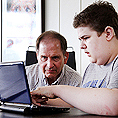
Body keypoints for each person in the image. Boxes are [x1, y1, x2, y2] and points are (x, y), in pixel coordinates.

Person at [31, 1, 118, 116]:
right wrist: (38, 101)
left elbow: (113, 104)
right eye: (80, 40)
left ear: (108, 33)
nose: (82, 46)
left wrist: (54, 89)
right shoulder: (91, 68)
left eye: (85, 38)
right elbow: (79, 103)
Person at [25, 30, 82, 106]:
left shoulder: (76, 81)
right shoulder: (25, 75)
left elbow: (80, 104)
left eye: (55, 58)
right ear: (37, 56)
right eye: (44, 57)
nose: (49, 65)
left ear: (65, 57)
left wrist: (32, 100)